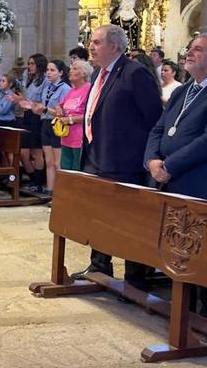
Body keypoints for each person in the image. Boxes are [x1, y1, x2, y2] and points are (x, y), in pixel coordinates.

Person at [145, 35, 207, 322]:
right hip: (172, 183)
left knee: (205, 258)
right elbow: (158, 129)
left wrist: (170, 165)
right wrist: (152, 160)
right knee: (177, 252)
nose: (189, 53)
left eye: (197, 50)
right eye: (190, 49)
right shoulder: (183, 91)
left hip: (205, 186)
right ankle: (181, 312)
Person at [71, 24, 162, 288]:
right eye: (91, 41)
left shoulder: (134, 73)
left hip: (125, 163)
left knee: (128, 222)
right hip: (96, 158)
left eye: (97, 42)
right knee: (98, 216)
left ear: (115, 46)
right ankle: (100, 265)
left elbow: (154, 118)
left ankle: (135, 277)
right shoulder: (100, 73)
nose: (91, 46)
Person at [31, 60, 71, 196]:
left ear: (60, 72)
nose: (48, 72)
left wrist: (46, 109)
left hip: (58, 124)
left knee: (57, 161)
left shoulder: (65, 88)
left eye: (52, 70)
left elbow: (63, 112)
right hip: (46, 123)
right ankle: (50, 189)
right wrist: (37, 108)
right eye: (47, 70)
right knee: (48, 160)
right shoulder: (47, 86)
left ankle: (60, 191)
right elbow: (44, 107)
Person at [10, 54, 47, 194]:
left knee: (36, 152)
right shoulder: (31, 79)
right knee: (24, 152)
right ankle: (32, 177)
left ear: (39, 65)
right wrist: (20, 99)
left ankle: (37, 182)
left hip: (36, 118)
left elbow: (42, 103)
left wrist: (27, 102)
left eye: (32, 64)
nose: (29, 66)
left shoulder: (44, 81)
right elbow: (28, 98)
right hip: (27, 115)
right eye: (29, 63)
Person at [54, 60, 93, 171]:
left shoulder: (88, 89)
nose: (70, 71)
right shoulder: (72, 91)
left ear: (84, 73)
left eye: (75, 69)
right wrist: (59, 110)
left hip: (79, 138)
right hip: (66, 136)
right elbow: (60, 105)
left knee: (77, 170)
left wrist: (70, 119)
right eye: (71, 68)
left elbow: (90, 115)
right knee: (65, 169)